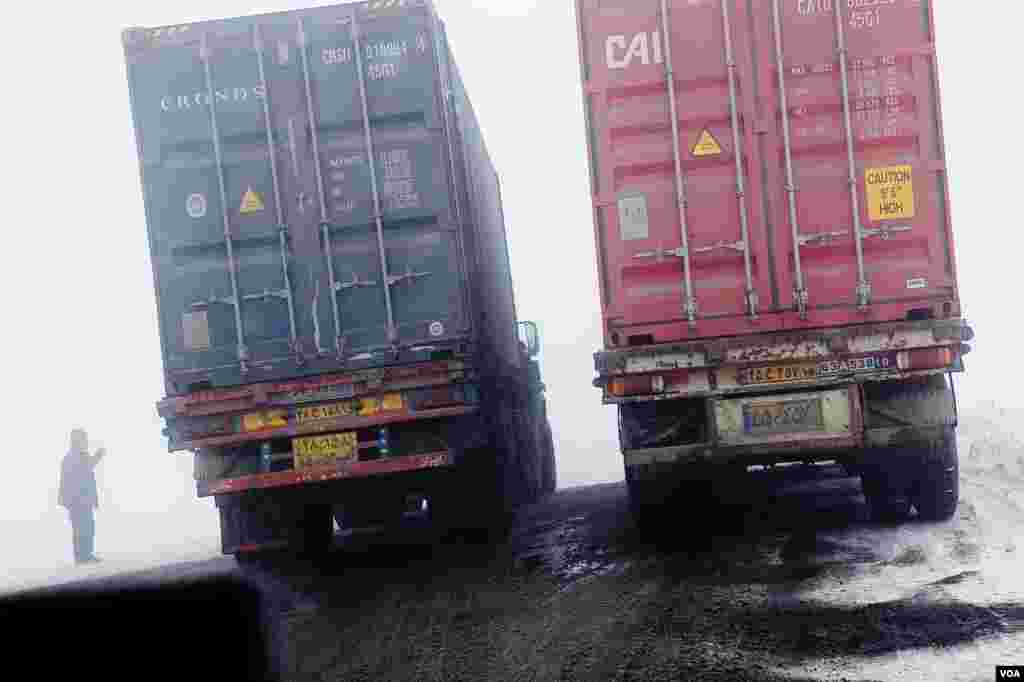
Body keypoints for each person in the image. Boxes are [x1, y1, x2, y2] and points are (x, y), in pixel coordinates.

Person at [58, 429, 108, 564]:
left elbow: (86, 471)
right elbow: (85, 470)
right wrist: (98, 456)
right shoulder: (75, 456)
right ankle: (83, 557)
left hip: (80, 501)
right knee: (83, 528)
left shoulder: (75, 456)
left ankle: (84, 555)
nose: (86, 441)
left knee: (85, 528)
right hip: (79, 501)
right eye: (83, 439)